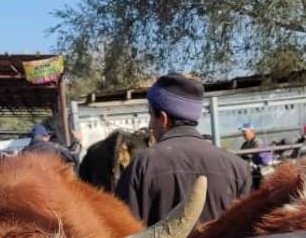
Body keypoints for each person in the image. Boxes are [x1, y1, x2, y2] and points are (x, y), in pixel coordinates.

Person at [117, 73, 251, 224]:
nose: (149, 126)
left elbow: (124, 230)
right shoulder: (238, 168)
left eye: (151, 116)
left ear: (163, 119)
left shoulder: (142, 166)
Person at [239, 122, 273, 187]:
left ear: (252, 131)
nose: (243, 134)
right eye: (242, 132)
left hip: (257, 170)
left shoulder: (257, 142)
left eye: (245, 131)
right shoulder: (245, 144)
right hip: (249, 169)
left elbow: (259, 157)